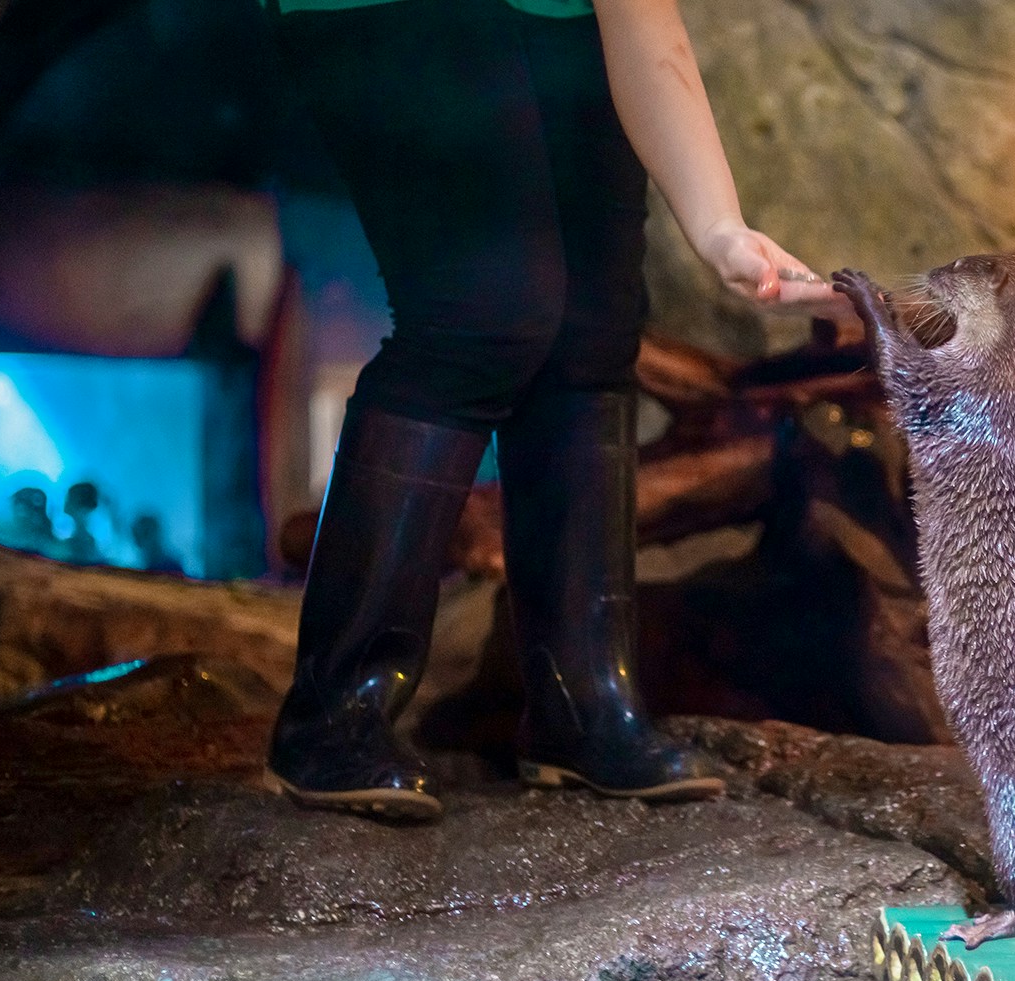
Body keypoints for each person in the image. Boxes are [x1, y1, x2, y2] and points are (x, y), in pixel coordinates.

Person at [264, 0, 847, 819]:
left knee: (591, 336)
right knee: (482, 316)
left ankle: (585, 708)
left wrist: (722, 230)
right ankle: (335, 714)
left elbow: (644, 19)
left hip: (553, 18)